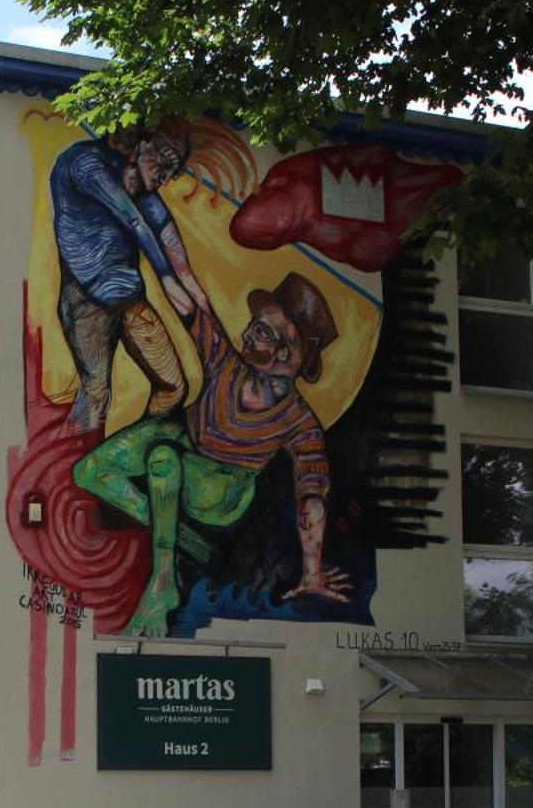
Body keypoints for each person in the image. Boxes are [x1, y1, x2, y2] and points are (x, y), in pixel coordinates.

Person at [75, 268, 351, 635]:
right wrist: (150, 232)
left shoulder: (300, 423)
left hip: (224, 486)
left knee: (161, 459)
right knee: (91, 471)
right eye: (253, 326)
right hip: (184, 438)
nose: (246, 335)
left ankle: (163, 585)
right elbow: (189, 297)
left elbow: (312, 497)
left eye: (261, 332)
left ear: (285, 351)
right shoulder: (226, 362)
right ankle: (179, 536)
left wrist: (312, 573)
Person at [50, 121, 207, 429]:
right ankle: (76, 466)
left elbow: (167, 233)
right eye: (162, 162)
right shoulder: (86, 164)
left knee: (173, 386)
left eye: (169, 170)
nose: (163, 177)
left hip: (129, 297)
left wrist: (199, 299)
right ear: (142, 148)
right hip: (86, 300)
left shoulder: (138, 184)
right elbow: (134, 221)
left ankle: (132, 456)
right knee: (96, 396)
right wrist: (167, 281)